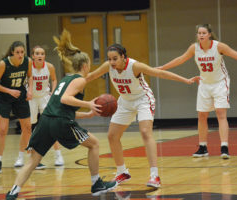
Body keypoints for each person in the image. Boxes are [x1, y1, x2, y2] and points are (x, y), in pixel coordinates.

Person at [5, 29, 117, 199]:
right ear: (85, 65)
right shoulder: (79, 80)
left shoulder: (66, 79)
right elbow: (65, 100)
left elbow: (57, 106)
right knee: (94, 144)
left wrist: (85, 115)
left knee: (33, 161)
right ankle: (96, 183)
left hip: (46, 121)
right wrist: (87, 103)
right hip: (60, 122)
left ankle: (13, 192)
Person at [86, 43, 201, 188]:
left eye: (115, 59)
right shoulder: (108, 66)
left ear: (123, 57)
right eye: (109, 59)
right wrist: (70, 85)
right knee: (112, 136)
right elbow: (91, 76)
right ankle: (122, 172)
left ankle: (155, 176)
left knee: (146, 132)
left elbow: (160, 74)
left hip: (143, 99)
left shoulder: (135, 66)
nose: (112, 62)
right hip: (125, 101)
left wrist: (186, 80)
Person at [158, 24, 237, 159]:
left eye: (203, 33)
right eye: (199, 33)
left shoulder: (218, 46)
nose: (201, 35)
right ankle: (202, 147)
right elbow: (180, 59)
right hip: (204, 83)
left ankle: (224, 147)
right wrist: (163, 67)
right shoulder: (194, 48)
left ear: (209, 34)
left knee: (220, 113)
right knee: (201, 115)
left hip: (220, 83)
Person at [14, 46, 64, 168]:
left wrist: (53, 91)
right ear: (33, 56)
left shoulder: (50, 67)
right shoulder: (28, 68)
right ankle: (21, 157)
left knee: (52, 125)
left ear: (44, 56)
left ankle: (58, 155)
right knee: (26, 129)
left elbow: (54, 79)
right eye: (37, 53)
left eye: (42, 53)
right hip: (31, 99)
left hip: (44, 98)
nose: (40, 55)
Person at [0, 41, 33, 175]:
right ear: (12, 53)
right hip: (4, 97)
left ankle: (22, 157)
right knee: (3, 129)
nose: (20, 55)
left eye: (22, 52)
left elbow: (30, 76)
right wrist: (9, 91)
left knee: (27, 128)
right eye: (17, 53)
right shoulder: (3, 64)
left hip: (19, 94)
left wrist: (30, 90)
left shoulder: (28, 61)